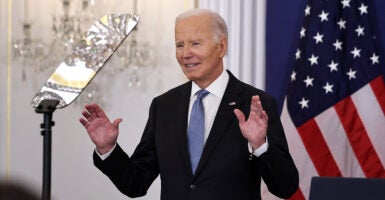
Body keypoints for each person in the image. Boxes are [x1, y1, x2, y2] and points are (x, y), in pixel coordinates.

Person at [79, 8, 299, 200]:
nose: (185, 54)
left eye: (195, 43)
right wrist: (108, 149)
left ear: (221, 47)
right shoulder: (163, 106)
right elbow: (136, 183)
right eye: (179, 45)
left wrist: (260, 146)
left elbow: (285, 187)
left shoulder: (255, 105)